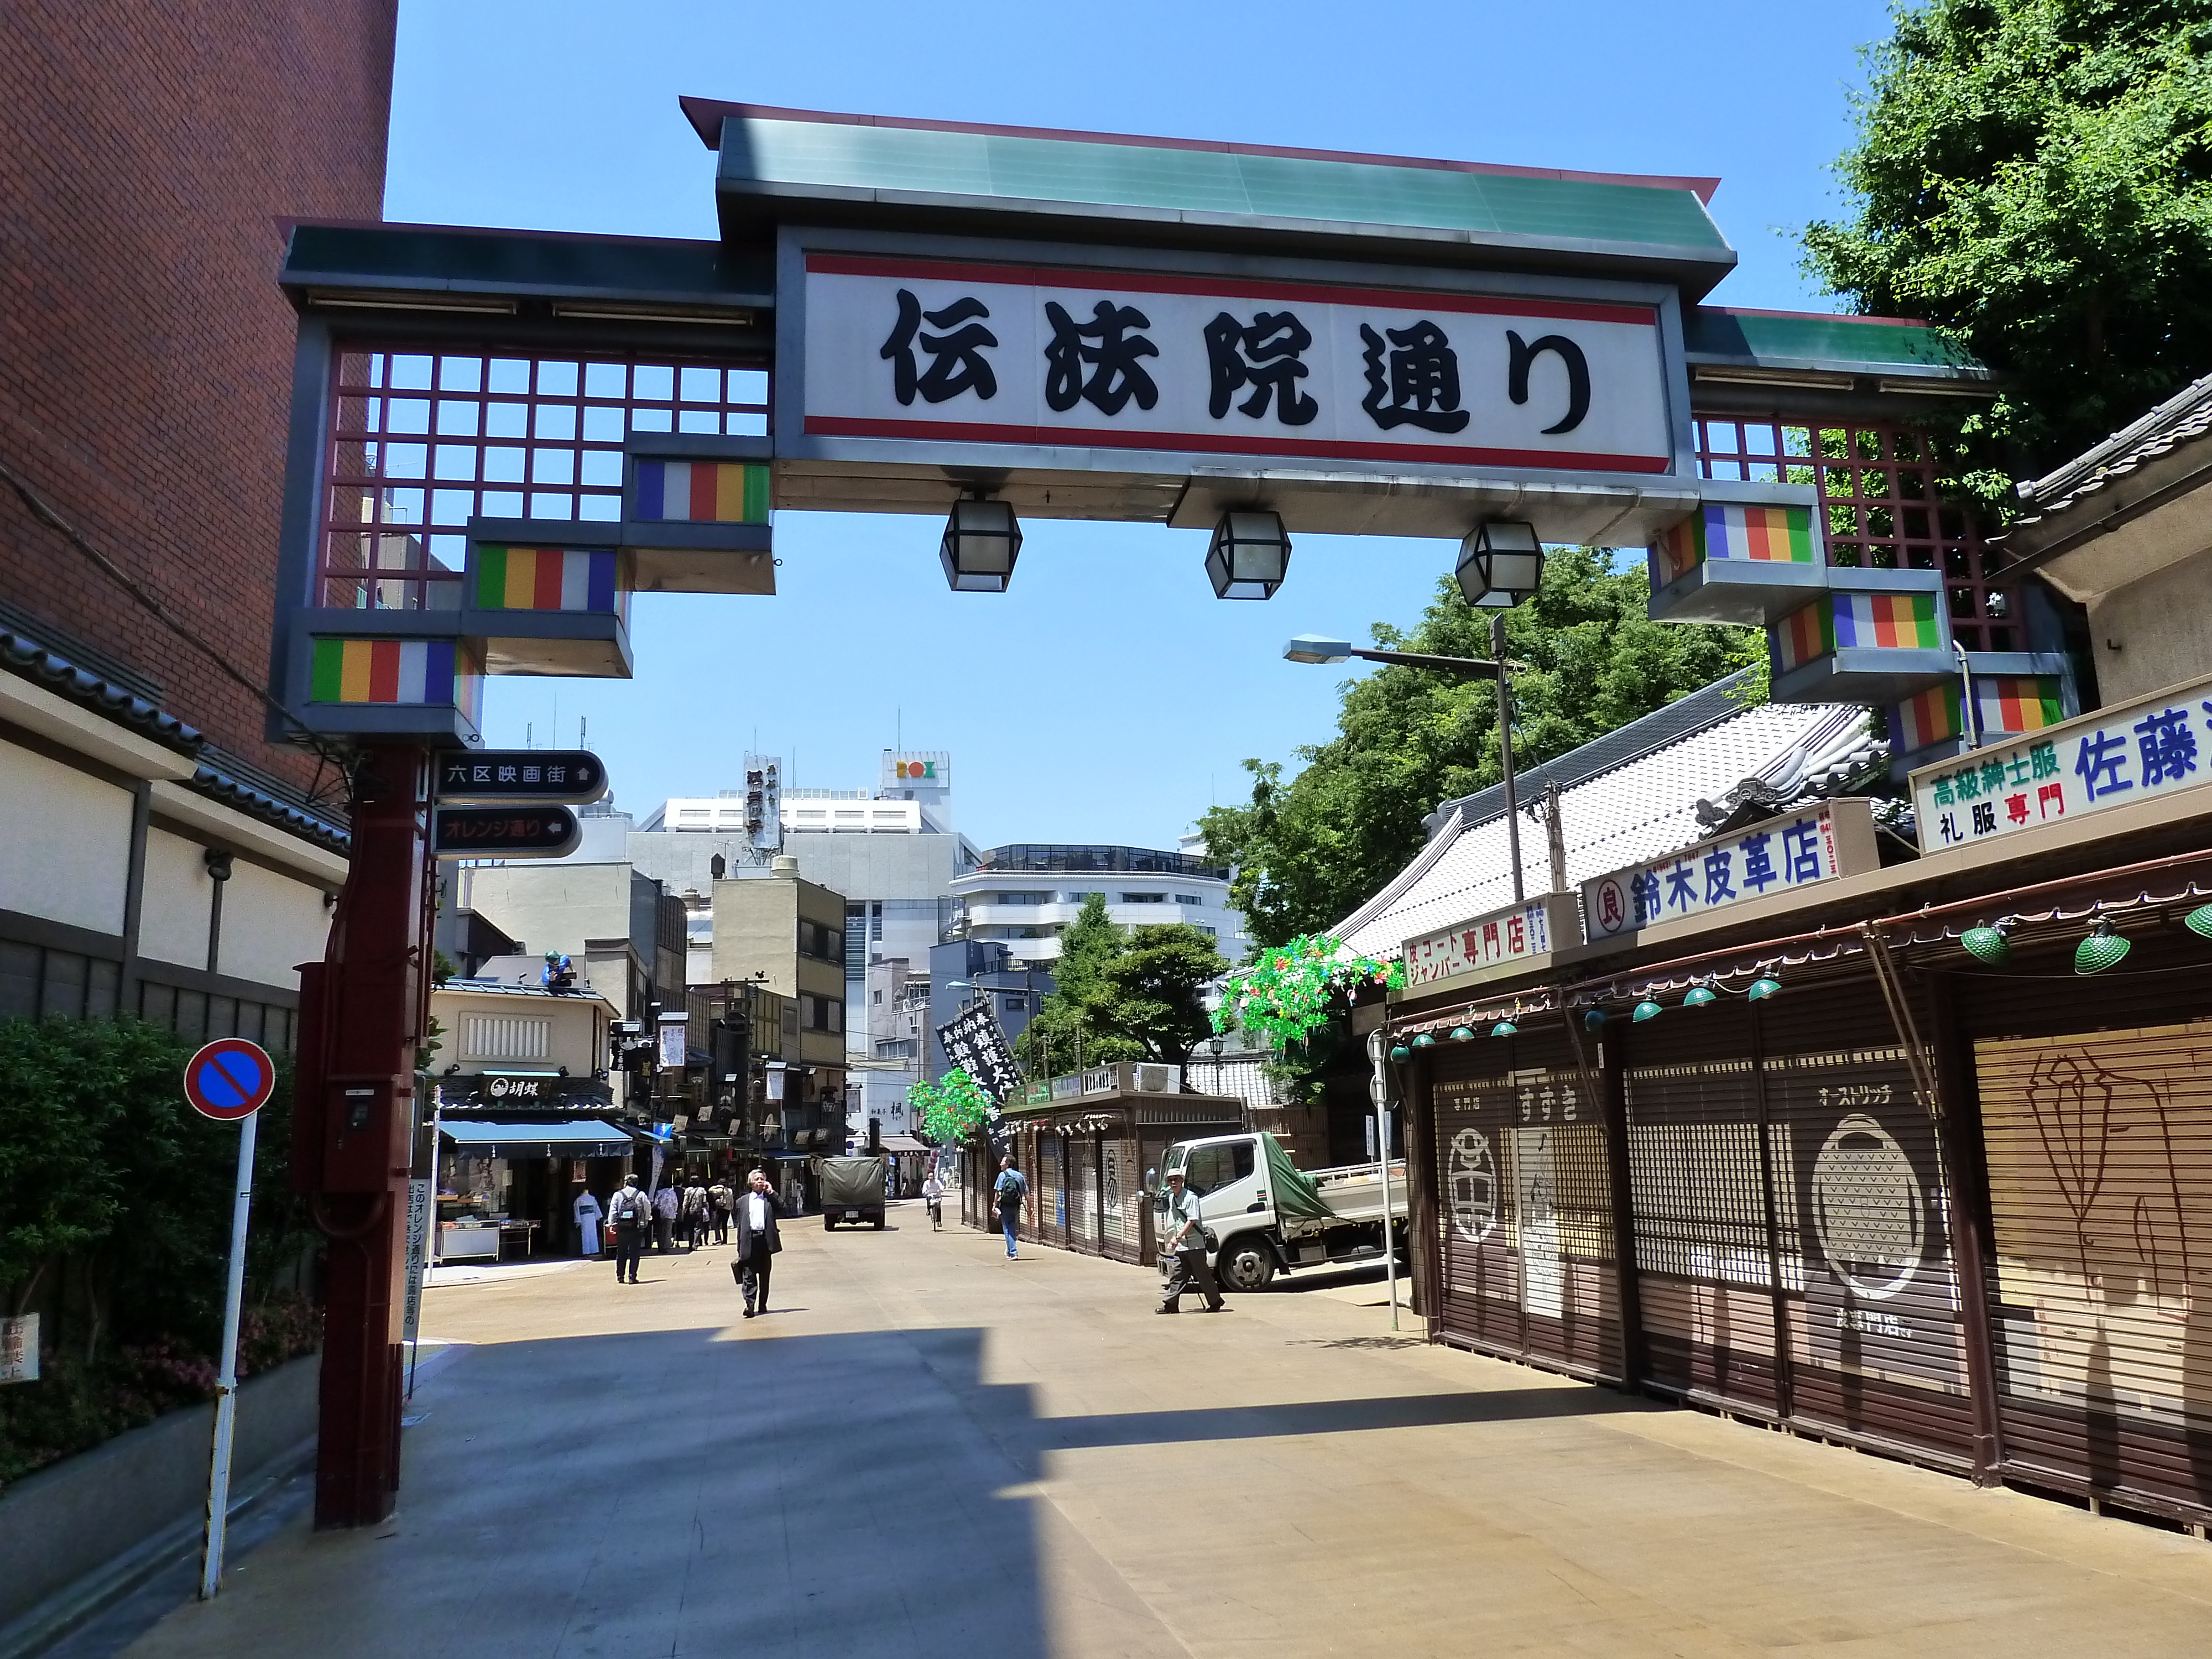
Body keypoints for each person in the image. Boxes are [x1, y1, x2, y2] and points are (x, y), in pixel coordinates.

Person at [1157, 1168, 1225, 1313]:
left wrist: (1177, 1237)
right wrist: (1175, 1238)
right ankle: (1171, 1305)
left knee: (1203, 1276)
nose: (1173, 1182)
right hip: (1181, 1246)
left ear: (1182, 1180)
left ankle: (1215, 1302)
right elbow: (1176, 1221)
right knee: (1177, 1276)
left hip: (1195, 1246)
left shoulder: (1191, 1198)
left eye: (1176, 1179)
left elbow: (1192, 1220)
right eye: (1170, 1180)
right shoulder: (1171, 1198)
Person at [731, 1168, 782, 1317]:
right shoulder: (742, 1202)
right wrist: (740, 1245)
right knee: (749, 1275)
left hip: (765, 1242)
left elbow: (783, 1209)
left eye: (762, 1179)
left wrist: (772, 1193)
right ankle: (750, 1305)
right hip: (749, 1241)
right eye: (757, 1179)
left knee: (765, 1275)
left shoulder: (769, 1200)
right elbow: (739, 1223)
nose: (760, 1181)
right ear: (751, 1183)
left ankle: (762, 1304)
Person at [607, 1175, 650, 1284]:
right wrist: (645, 1221)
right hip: (636, 1227)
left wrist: (612, 1224)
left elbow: (613, 1210)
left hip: (622, 1227)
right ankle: (632, 1276)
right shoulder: (641, 1194)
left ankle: (620, 1276)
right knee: (635, 1252)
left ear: (626, 1182)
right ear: (636, 1183)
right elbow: (647, 1208)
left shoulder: (618, 1195)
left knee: (621, 1252)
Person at [992, 1156, 1031, 1259]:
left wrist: (994, 1205)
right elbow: (1026, 1193)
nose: (1001, 1164)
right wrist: (1030, 1208)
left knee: (1007, 1228)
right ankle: (1010, 1250)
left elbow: (998, 1192)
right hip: (1016, 1205)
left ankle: (1013, 1252)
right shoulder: (1019, 1176)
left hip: (1005, 1205)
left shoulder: (1002, 1175)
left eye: (1003, 1162)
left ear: (1008, 1164)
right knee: (1012, 1227)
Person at [572, 1185, 603, 1258]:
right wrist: (597, 1217)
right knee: (588, 1234)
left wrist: (578, 1220)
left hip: (585, 1218)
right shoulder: (582, 1199)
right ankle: (589, 1251)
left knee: (589, 1234)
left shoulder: (580, 1199)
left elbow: (576, 1211)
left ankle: (591, 1251)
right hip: (589, 1217)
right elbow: (596, 1210)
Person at [682, 1178, 709, 1249]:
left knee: (690, 1228)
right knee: (698, 1228)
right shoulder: (702, 1190)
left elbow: (685, 1202)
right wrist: (707, 1210)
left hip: (690, 1212)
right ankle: (696, 1244)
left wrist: (684, 1211)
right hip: (699, 1211)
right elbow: (705, 1201)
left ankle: (690, 1244)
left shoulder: (688, 1190)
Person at [653, 1180, 679, 1254]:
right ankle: (666, 1246)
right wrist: (675, 1211)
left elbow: (656, 1203)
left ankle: (660, 1246)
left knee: (660, 1231)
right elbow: (675, 1203)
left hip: (660, 1213)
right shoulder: (673, 1192)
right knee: (668, 1231)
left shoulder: (659, 1192)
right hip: (670, 1214)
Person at [708, 1178, 733, 1245]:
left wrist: (717, 1186)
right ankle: (725, 1240)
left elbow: (710, 1190)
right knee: (725, 1225)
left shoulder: (720, 1190)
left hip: (720, 1209)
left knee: (717, 1224)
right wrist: (731, 1208)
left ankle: (718, 1238)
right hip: (727, 1209)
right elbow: (732, 1200)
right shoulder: (730, 1191)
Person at [921, 1166, 946, 1232]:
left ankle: (939, 1221)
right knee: (928, 1199)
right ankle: (929, 1210)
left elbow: (941, 1186)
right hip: (930, 1196)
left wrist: (942, 1189)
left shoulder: (937, 1182)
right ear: (928, 1177)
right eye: (930, 1176)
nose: (931, 1178)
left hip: (937, 1195)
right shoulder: (926, 1183)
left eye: (932, 1176)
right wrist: (924, 1193)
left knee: (939, 1208)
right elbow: (924, 1190)